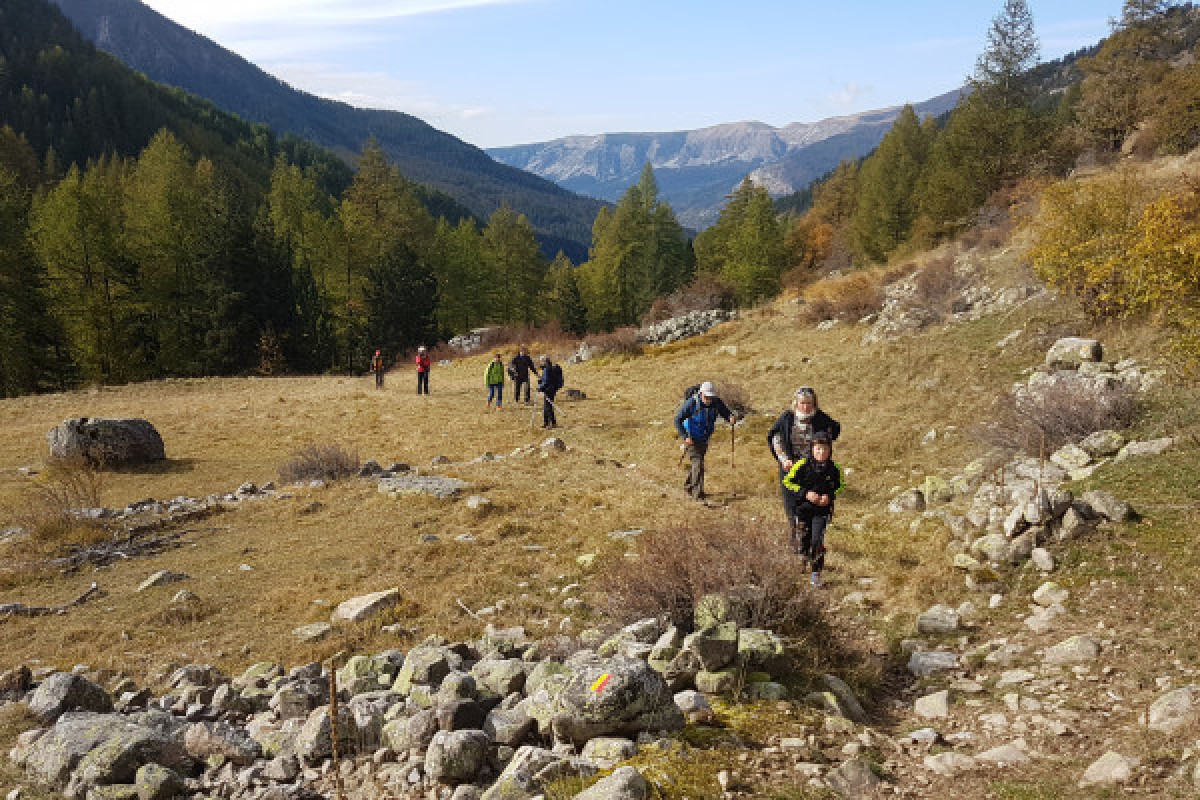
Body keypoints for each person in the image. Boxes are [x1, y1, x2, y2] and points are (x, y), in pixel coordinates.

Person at [767, 386, 840, 543]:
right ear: (796, 403)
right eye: (802, 403)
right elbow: (775, 437)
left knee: (813, 508)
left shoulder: (820, 419)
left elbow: (835, 430)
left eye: (809, 403)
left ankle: (813, 546)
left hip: (814, 472)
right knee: (792, 510)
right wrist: (783, 458)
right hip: (791, 470)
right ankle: (797, 544)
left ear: (814, 404)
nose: (806, 407)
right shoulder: (787, 418)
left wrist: (823, 452)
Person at [782, 430, 843, 586]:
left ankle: (816, 572)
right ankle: (801, 559)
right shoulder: (802, 464)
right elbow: (788, 482)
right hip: (803, 510)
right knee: (803, 539)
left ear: (830, 450)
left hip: (822, 512)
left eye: (825, 449)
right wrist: (805, 493)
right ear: (812, 449)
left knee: (817, 540)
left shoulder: (834, 468)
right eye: (818, 449)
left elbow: (840, 486)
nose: (821, 452)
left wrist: (829, 496)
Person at [673, 381, 737, 501]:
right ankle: (697, 494)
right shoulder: (692, 403)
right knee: (698, 464)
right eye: (706, 397)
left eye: (710, 397)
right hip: (691, 437)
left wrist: (730, 417)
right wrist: (685, 436)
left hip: (704, 437)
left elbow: (725, 412)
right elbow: (677, 419)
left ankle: (688, 486)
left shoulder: (716, 402)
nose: (708, 399)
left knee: (698, 464)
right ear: (701, 393)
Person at [537, 355, 564, 428]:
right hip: (552, 389)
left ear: (544, 362)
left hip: (549, 390)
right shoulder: (550, 368)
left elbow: (546, 381)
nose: (540, 363)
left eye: (541, 362)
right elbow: (546, 379)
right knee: (546, 406)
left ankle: (552, 423)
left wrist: (541, 388)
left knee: (548, 407)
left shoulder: (547, 369)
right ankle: (546, 422)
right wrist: (541, 381)